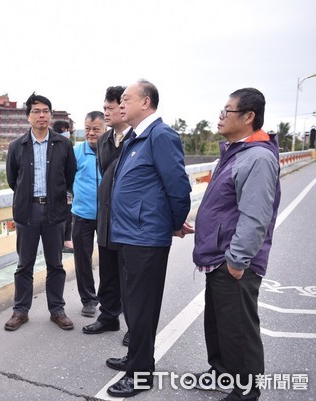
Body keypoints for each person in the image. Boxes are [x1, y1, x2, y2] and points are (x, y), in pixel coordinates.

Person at [189, 88, 280, 401]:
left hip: (234, 260)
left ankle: (246, 389)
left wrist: (238, 262)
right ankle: (221, 371)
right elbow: (225, 206)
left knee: (238, 327)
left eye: (227, 111)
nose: (220, 116)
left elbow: (255, 216)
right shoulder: (235, 152)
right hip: (218, 255)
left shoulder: (258, 157)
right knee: (218, 321)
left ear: (248, 116)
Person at [105, 80, 192, 397]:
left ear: (146, 102)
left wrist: (171, 223)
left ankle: (140, 373)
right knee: (131, 303)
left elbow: (178, 187)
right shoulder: (135, 138)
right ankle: (133, 357)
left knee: (142, 307)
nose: (121, 104)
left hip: (146, 238)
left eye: (126, 99)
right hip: (129, 235)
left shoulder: (160, 135)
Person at [4, 93, 77, 331]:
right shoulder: (17, 146)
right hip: (28, 211)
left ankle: (57, 309)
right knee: (24, 264)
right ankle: (20, 311)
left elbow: (69, 176)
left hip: (54, 211)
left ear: (51, 115)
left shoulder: (63, 144)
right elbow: (14, 179)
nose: (42, 115)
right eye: (36, 111)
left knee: (55, 263)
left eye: (46, 111)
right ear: (28, 116)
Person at [82, 86, 129, 346]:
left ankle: (135, 325)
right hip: (106, 216)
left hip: (130, 220)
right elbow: (106, 175)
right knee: (108, 270)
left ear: (125, 107)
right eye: (105, 108)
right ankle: (109, 316)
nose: (107, 113)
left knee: (130, 275)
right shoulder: (103, 140)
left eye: (110, 108)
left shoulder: (139, 137)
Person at [71, 111, 105, 318]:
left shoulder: (112, 151)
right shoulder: (76, 152)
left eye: (96, 129)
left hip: (107, 215)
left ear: (105, 130)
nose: (91, 133)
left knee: (110, 259)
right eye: (88, 129)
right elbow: (66, 178)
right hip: (82, 214)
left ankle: (109, 298)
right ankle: (89, 299)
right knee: (82, 259)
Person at [53, 120, 74, 253]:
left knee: (68, 213)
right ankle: (64, 241)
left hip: (65, 188)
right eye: (68, 130)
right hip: (59, 188)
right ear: (63, 129)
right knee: (64, 214)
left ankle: (66, 240)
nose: (69, 134)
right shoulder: (59, 144)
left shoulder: (65, 144)